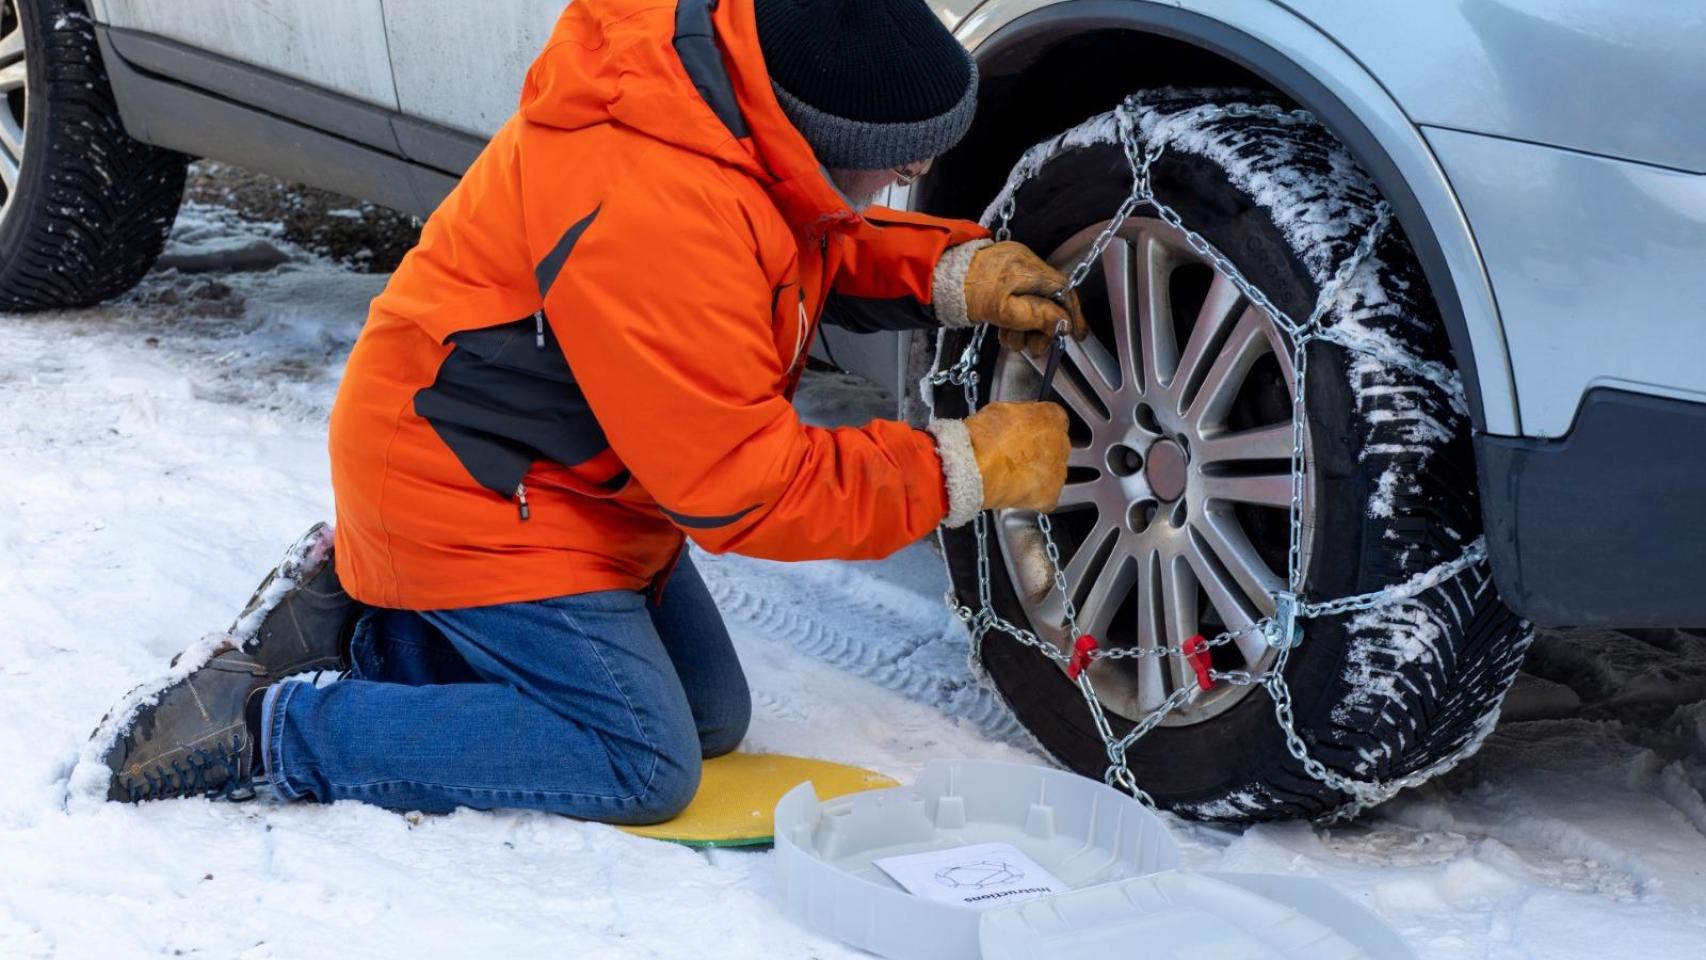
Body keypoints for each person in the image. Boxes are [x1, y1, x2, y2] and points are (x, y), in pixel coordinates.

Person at [96, 0, 1084, 821]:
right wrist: (959, 467)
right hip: (466, 486)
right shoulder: (657, 204)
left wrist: (951, 272)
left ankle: (365, 621)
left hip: (571, 479)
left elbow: (800, 239)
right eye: (895, 160)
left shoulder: (728, 96)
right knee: (641, 759)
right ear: (812, 135)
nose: (909, 178)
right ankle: (272, 725)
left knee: (707, 716)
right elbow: (748, 489)